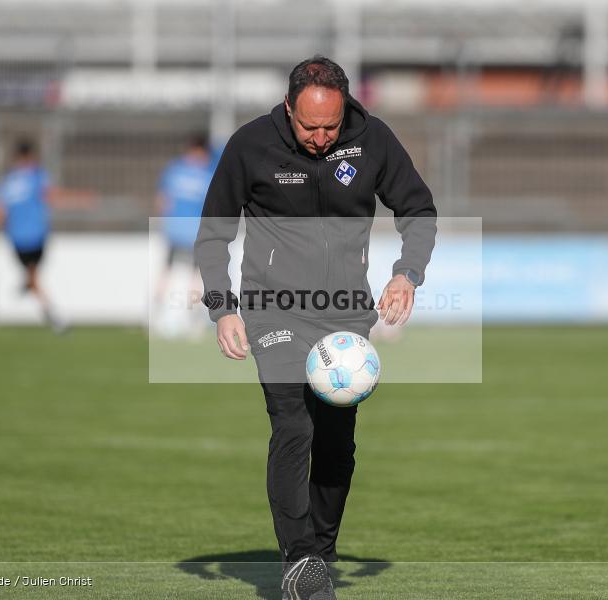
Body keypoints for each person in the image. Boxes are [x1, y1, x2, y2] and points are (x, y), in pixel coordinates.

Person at [195, 56, 436, 600]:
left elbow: (418, 210)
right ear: (288, 108)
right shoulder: (250, 145)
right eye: (309, 127)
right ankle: (299, 559)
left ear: (344, 109)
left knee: (335, 442)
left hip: (345, 312)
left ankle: (320, 555)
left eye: (331, 126)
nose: (321, 138)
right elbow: (213, 234)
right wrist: (222, 307)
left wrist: (407, 274)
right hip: (273, 308)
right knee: (293, 424)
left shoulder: (373, 139)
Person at [0, 138, 93, 334]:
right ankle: (54, 316)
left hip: (17, 239)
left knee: (33, 275)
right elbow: (53, 196)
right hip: (37, 237)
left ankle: (28, 284)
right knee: (34, 276)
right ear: (29, 156)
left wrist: (5, 225)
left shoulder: (7, 182)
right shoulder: (37, 176)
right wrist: (80, 199)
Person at [153, 133, 216, 337]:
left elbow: (162, 200)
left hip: (174, 230)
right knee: (196, 277)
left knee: (166, 271)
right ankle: (194, 321)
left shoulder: (174, 169)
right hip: (196, 232)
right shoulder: (208, 174)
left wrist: (165, 223)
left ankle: (155, 316)